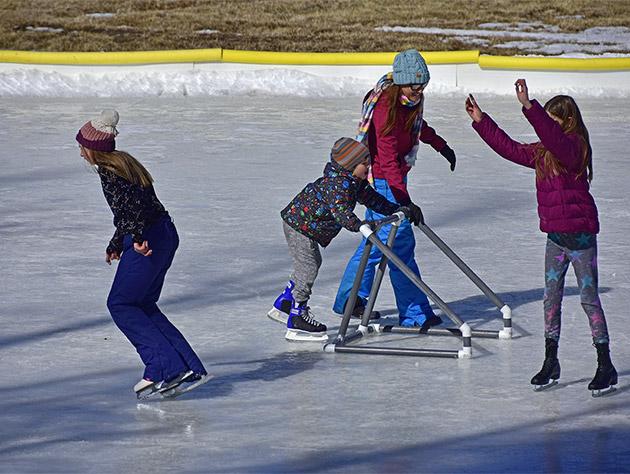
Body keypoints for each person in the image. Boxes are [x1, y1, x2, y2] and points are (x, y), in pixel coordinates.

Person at [465, 79, 617, 396]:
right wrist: (482, 121)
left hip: (581, 239)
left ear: (567, 122)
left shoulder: (573, 148)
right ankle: (551, 361)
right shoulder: (544, 153)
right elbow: (510, 148)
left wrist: (528, 106)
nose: (544, 129)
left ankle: (605, 364)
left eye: (552, 122)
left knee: (589, 300)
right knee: (551, 301)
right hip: (556, 240)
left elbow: (554, 138)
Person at [76, 110, 209, 399]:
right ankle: (186, 366)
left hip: (148, 238)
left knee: (121, 304)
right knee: (143, 304)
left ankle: (162, 368)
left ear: (93, 148)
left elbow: (133, 208)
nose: (81, 153)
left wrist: (136, 239)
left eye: (82, 146)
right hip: (164, 233)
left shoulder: (109, 172)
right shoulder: (124, 162)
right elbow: (131, 208)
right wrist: (117, 242)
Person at [332, 49, 455, 328]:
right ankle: (414, 313)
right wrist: (402, 199)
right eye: (415, 85)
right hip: (382, 180)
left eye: (423, 85)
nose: (419, 90)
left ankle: (348, 300)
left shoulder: (408, 101)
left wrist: (441, 146)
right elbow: (385, 158)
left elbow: (417, 127)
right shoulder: (385, 106)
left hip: (395, 179)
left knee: (375, 244)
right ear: (401, 81)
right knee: (399, 247)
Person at [268, 137, 419, 342]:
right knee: (308, 267)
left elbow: (373, 200)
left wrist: (397, 209)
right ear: (349, 165)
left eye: (368, 161)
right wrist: (358, 225)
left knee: (312, 263)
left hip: (306, 226)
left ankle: (286, 301)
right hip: (299, 225)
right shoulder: (337, 184)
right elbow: (340, 211)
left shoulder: (355, 182)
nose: (369, 166)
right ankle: (297, 317)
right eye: (364, 163)